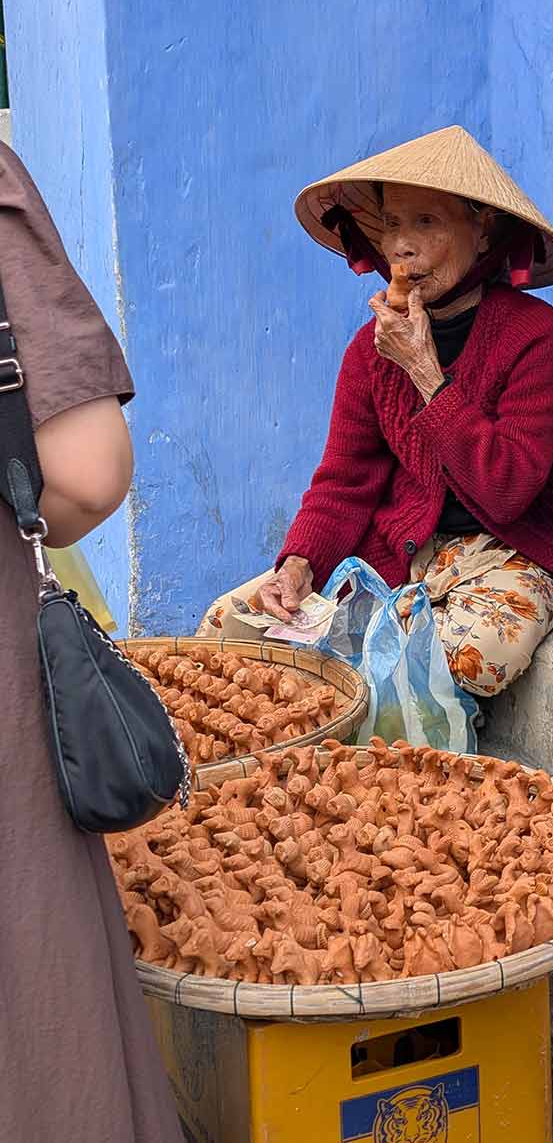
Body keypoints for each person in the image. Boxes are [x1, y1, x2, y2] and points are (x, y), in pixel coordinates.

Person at [202, 126, 553, 697]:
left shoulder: (535, 337)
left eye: (427, 223)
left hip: (516, 546)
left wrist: (427, 374)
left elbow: (508, 488)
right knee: (227, 626)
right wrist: (300, 563)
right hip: (405, 550)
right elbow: (344, 482)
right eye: (393, 225)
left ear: (482, 233)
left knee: (473, 656)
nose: (402, 247)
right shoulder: (369, 351)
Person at [0, 142, 181, 1142]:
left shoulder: (525, 346)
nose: (409, 247)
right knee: (41, 1015)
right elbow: (84, 472)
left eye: (429, 227)